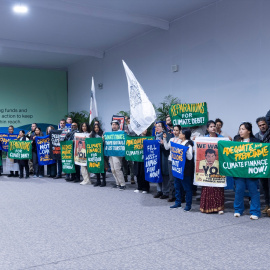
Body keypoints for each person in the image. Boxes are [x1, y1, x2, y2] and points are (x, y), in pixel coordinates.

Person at [233, 122, 261, 220]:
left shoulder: (257, 142)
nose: (240, 131)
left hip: (251, 171)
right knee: (239, 190)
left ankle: (255, 211)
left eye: (243, 129)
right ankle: (238, 210)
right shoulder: (235, 141)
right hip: (239, 171)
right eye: (240, 129)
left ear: (249, 131)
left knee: (253, 191)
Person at [200, 120, 224, 214]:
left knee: (218, 186)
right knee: (208, 187)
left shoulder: (222, 138)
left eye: (214, 126)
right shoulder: (203, 138)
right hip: (207, 168)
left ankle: (219, 208)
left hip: (218, 166)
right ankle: (207, 207)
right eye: (211, 126)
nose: (213, 128)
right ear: (207, 128)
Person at [170, 128, 194, 211]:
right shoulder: (179, 142)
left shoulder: (188, 144)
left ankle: (188, 205)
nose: (179, 134)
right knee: (177, 186)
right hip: (178, 169)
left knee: (187, 188)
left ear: (184, 135)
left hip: (185, 170)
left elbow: (190, 158)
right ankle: (178, 202)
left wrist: (186, 151)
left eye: (180, 133)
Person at [255, 116, 270, 215]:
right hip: (262, 165)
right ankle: (267, 205)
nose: (262, 127)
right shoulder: (256, 136)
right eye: (260, 125)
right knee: (264, 186)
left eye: (264, 124)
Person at [163, 125, 182, 202]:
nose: (175, 132)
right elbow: (166, 148)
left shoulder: (182, 140)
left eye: (177, 130)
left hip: (179, 161)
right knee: (171, 179)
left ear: (180, 131)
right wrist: (164, 139)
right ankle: (172, 195)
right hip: (171, 160)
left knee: (179, 180)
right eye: (174, 130)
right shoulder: (171, 139)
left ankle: (180, 196)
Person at [153, 122, 171, 199]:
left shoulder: (167, 135)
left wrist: (164, 143)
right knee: (158, 173)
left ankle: (166, 192)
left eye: (159, 126)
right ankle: (159, 191)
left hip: (164, 156)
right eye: (156, 126)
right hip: (157, 158)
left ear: (163, 128)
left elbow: (169, 148)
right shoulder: (155, 136)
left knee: (165, 174)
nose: (157, 128)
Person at [109, 120, 126, 190]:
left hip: (117, 154)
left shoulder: (121, 133)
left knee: (117, 168)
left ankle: (122, 184)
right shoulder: (110, 134)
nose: (114, 126)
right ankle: (117, 183)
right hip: (110, 153)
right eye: (112, 124)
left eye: (115, 124)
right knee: (112, 169)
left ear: (118, 125)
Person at [133, 129, 150, 194]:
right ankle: (139, 187)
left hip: (145, 158)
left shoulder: (149, 137)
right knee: (138, 172)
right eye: (143, 129)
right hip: (138, 157)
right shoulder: (137, 137)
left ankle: (145, 188)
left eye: (146, 129)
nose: (145, 130)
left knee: (144, 173)